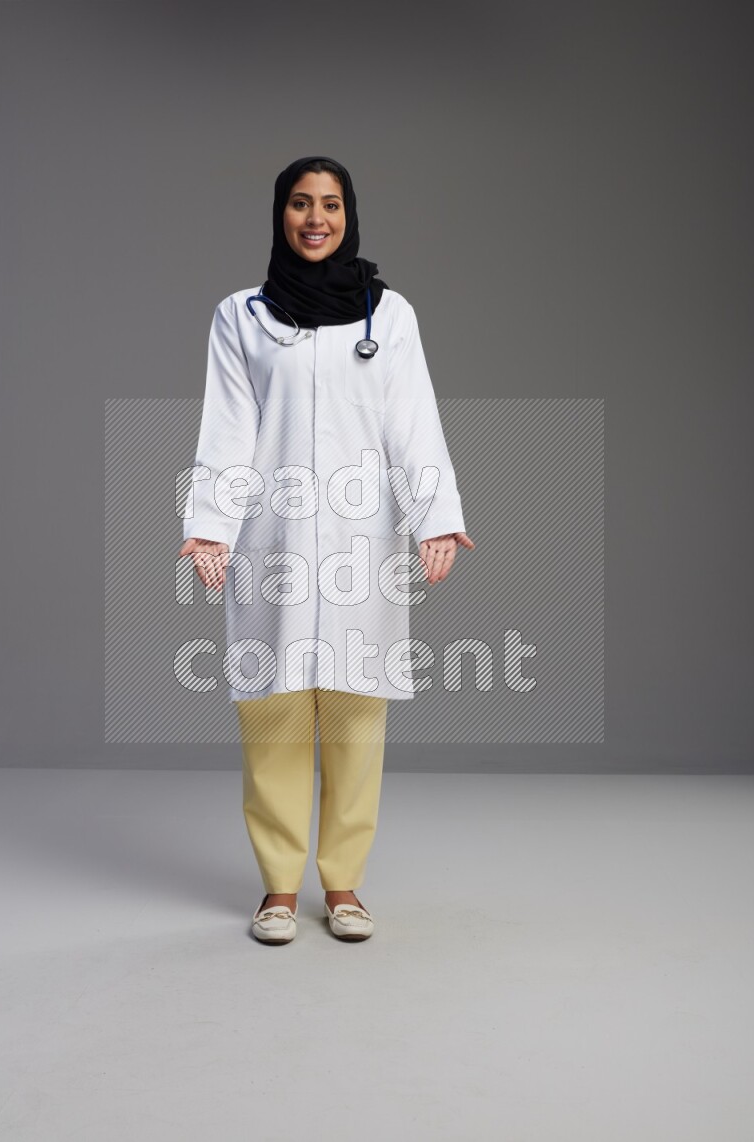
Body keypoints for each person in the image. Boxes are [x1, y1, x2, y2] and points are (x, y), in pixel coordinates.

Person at [180, 155, 474, 944]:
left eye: (332, 205)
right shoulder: (241, 316)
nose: (317, 218)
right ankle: (278, 888)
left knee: (354, 713)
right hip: (270, 535)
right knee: (271, 710)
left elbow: (413, 423)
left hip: (358, 541)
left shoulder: (390, 316)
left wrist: (435, 516)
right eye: (302, 204)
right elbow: (228, 429)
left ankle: (342, 884)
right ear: (280, 214)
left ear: (350, 215)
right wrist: (210, 522)